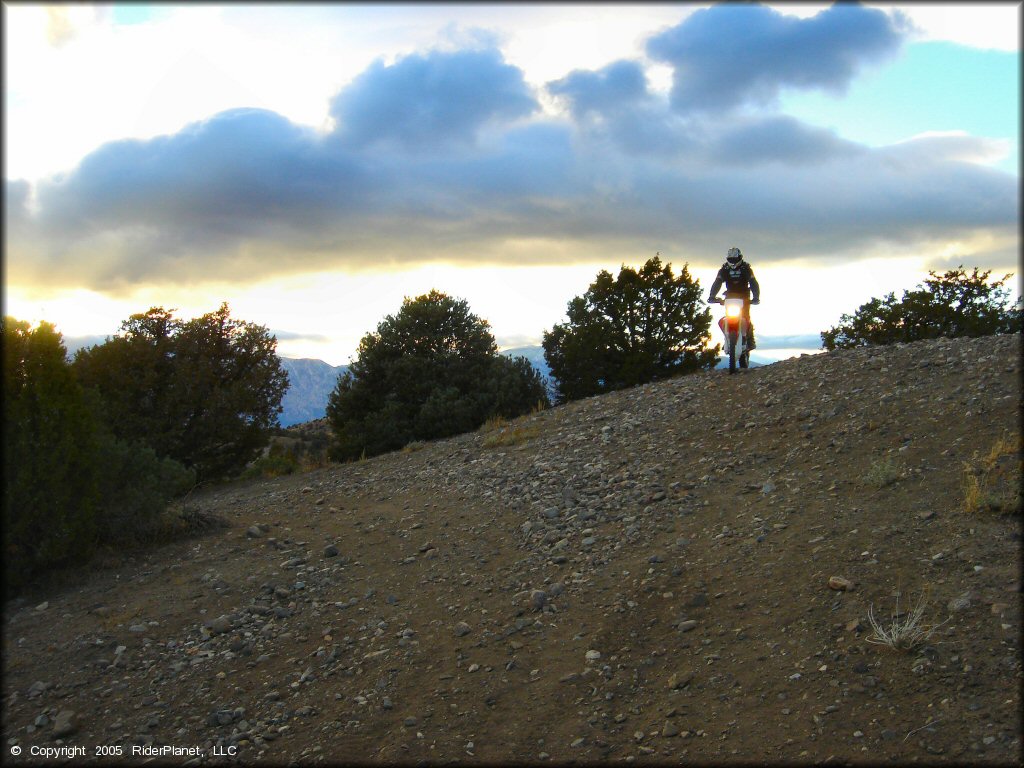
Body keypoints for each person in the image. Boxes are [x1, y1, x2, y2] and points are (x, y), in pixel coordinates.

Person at [708, 247, 760, 349]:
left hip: (744, 295)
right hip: (730, 296)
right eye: (731, 259)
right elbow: (717, 282)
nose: (733, 262)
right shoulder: (724, 269)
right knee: (727, 317)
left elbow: (753, 283)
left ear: (740, 258)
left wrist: (756, 297)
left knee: (746, 317)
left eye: (735, 259)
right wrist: (712, 296)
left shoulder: (746, 269)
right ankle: (727, 338)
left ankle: (749, 339)